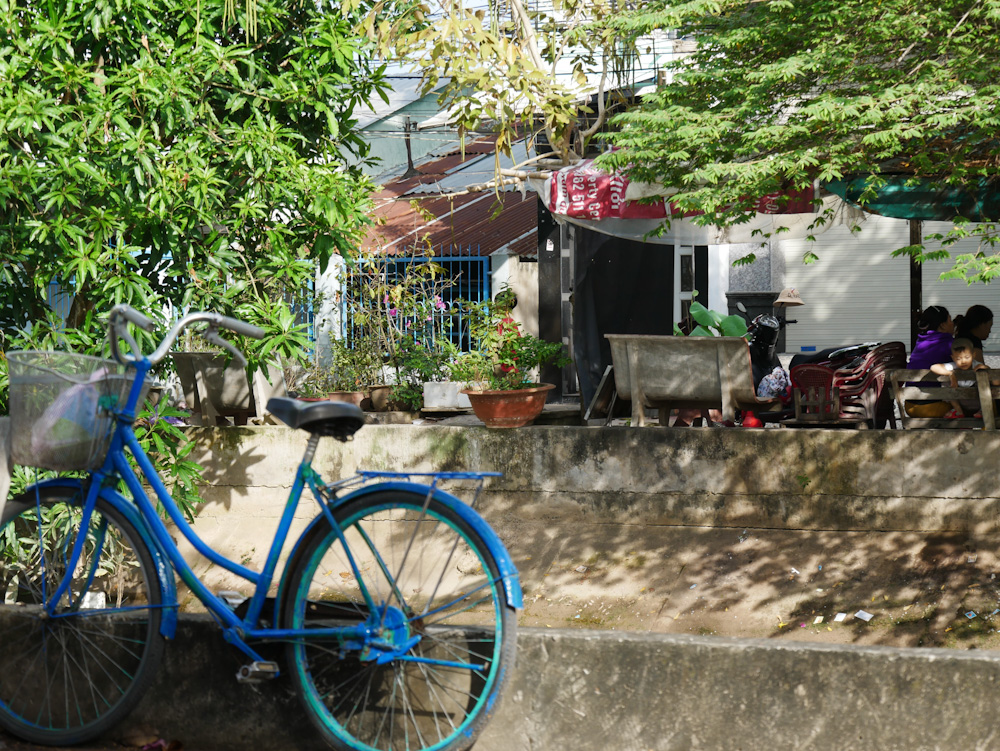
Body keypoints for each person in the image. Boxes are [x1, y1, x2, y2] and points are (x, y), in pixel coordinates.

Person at [931, 338, 988, 417]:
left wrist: (986, 368)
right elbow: (933, 367)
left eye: (967, 357)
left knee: (984, 379)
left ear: (973, 355)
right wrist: (950, 374)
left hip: (979, 403)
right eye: (958, 358)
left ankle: (982, 410)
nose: (963, 361)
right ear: (953, 358)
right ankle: (958, 411)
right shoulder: (953, 366)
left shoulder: (977, 365)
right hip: (963, 404)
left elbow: (996, 382)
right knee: (947, 381)